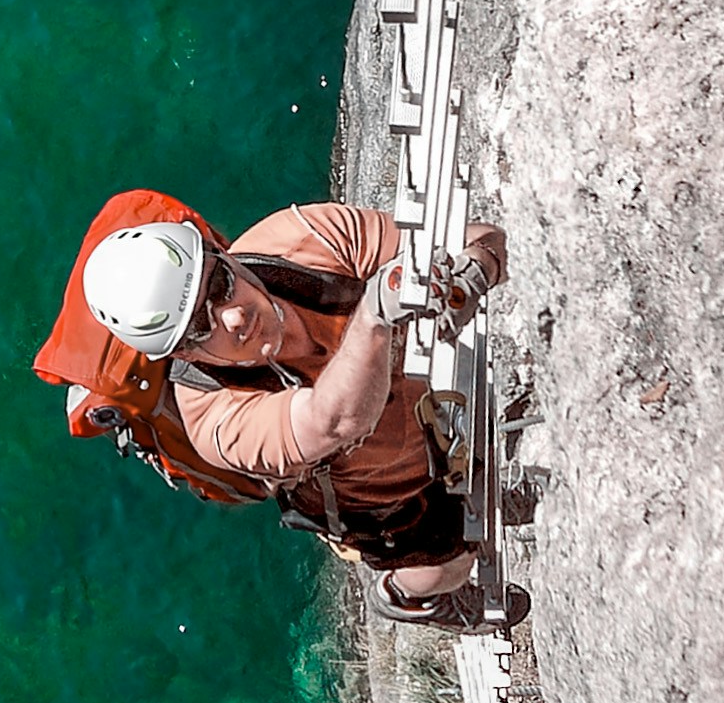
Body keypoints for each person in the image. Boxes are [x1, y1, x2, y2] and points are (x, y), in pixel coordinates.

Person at [36, 190, 516, 628]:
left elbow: (483, 239)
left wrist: (472, 272)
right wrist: (372, 314)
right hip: (376, 501)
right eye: (200, 327)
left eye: (220, 283)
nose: (233, 316)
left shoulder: (303, 238)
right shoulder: (216, 422)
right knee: (447, 562)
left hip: (423, 417)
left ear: (222, 256)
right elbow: (334, 423)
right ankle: (406, 598)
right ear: (179, 355)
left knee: (470, 481)